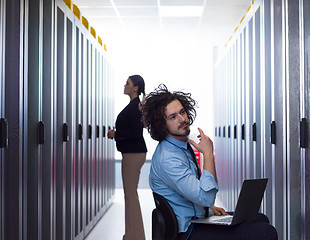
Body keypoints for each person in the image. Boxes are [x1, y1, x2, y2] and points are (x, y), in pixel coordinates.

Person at [140, 84, 278, 240]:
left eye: (182, 112)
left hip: (196, 219)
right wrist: (207, 154)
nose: (182, 119)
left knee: (260, 219)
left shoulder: (181, 147)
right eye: (173, 117)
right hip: (186, 232)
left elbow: (194, 191)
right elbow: (205, 197)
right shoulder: (168, 158)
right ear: (161, 124)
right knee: (265, 232)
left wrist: (210, 208)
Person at [107, 75, 147, 240]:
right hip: (132, 153)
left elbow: (136, 133)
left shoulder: (136, 106)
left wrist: (116, 134)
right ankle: (133, 234)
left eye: (128, 83)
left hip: (133, 154)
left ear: (135, 88)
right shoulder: (134, 105)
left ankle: (134, 236)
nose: (125, 85)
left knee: (130, 195)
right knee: (130, 195)